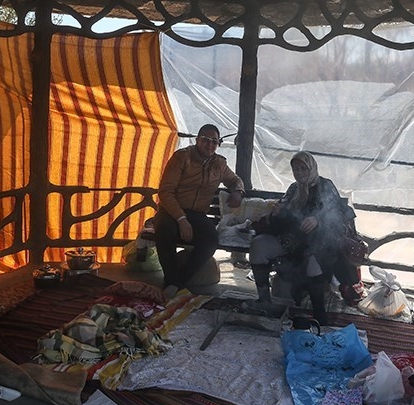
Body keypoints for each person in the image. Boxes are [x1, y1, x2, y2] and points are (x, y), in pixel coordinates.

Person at [248, 151, 360, 323]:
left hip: (321, 242)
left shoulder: (325, 186)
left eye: (303, 168)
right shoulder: (294, 189)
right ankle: (264, 301)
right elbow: (284, 217)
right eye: (296, 169)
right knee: (258, 246)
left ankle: (319, 312)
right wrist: (278, 213)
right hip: (291, 240)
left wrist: (318, 220)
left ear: (312, 167)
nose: (299, 172)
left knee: (314, 257)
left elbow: (338, 214)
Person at [154, 124, 245, 299]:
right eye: (205, 140)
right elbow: (165, 192)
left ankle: (177, 283)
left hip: (197, 214)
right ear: (197, 140)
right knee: (165, 230)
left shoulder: (219, 163)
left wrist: (238, 191)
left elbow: (235, 180)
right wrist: (181, 219)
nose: (210, 145)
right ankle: (171, 280)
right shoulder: (182, 157)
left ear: (218, 144)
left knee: (210, 241)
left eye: (214, 141)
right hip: (171, 210)